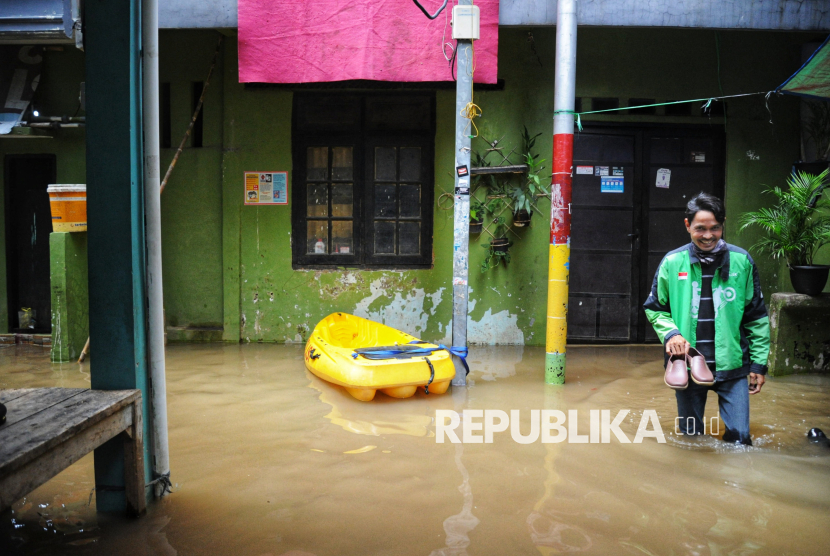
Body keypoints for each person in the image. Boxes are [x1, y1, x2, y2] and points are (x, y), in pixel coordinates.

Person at [644, 192, 769, 445]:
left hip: (733, 368)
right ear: (688, 225)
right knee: (691, 442)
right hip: (687, 369)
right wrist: (671, 334)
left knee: (740, 443)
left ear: (723, 224)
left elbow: (756, 316)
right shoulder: (672, 262)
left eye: (715, 228)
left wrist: (758, 365)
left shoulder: (741, 261)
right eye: (700, 228)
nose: (708, 235)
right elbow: (655, 308)